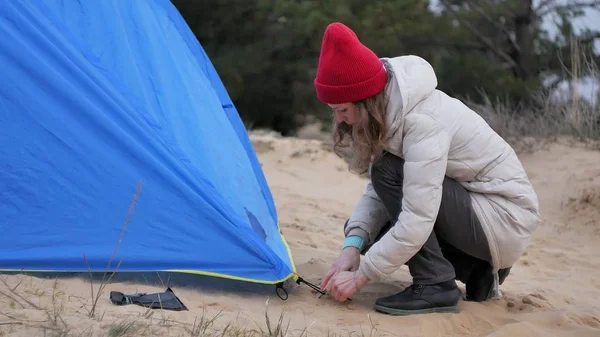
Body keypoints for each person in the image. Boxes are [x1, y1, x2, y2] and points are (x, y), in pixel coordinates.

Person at [315, 22, 541, 316]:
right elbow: (381, 194)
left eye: (343, 110)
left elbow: (417, 219)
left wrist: (360, 277)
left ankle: (436, 285)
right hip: (481, 219)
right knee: (379, 230)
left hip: (504, 219)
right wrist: (352, 247)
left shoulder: (423, 122)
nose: (342, 121)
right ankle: (475, 271)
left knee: (389, 179)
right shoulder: (392, 111)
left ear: (366, 102)